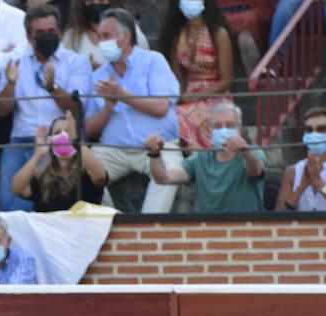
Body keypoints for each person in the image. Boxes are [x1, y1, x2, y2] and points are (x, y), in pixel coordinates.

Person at [0, 3, 91, 212]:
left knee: (30, 203)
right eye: (40, 33)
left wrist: (53, 88)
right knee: (8, 204)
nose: (46, 36)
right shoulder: (15, 62)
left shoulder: (76, 62)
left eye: (51, 32)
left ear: (60, 32)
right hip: (19, 142)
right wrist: (10, 85)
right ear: (29, 37)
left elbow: (77, 107)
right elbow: (1, 110)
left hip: (58, 142)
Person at [85, 8, 182, 214]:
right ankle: (113, 223)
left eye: (106, 36)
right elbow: (89, 130)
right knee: (81, 173)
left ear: (126, 36)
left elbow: (161, 107)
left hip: (157, 144)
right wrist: (108, 108)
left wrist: (122, 95)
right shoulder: (99, 75)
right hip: (113, 149)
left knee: (169, 171)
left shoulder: (152, 61)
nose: (101, 42)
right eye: (99, 36)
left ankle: (147, 230)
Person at [145, 101, 264, 213]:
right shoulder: (201, 159)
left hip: (246, 228)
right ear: (210, 130)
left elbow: (255, 170)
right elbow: (163, 178)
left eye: (229, 125)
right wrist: (154, 154)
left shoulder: (253, 152)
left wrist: (246, 152)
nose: (223, 130)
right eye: (217, 126)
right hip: (209, 229)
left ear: (240, 128)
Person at [161, 0, 232, 150]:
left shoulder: (218, 33)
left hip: (216, 94)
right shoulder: (176, 37)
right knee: (169, 116)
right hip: (188, 95)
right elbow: (178, 78)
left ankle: (196, 158)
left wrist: (197, 96)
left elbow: (226, 81)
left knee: (182, 118)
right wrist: (179, 98)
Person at [11, 113, 107, 211]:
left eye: (68, 132)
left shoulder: (87, 171)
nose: (63, 136)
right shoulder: (42, 176)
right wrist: (38, 154)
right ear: (50, 140)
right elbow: (18, 189)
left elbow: (100, 176)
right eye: (57, 132)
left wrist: (76, 141)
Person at [63, 0, 148, 69]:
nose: (96, 4)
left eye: (101, 0)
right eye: (90, 1)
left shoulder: (131, 31)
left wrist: (102, 71)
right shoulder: (72, 36)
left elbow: (141, 68)